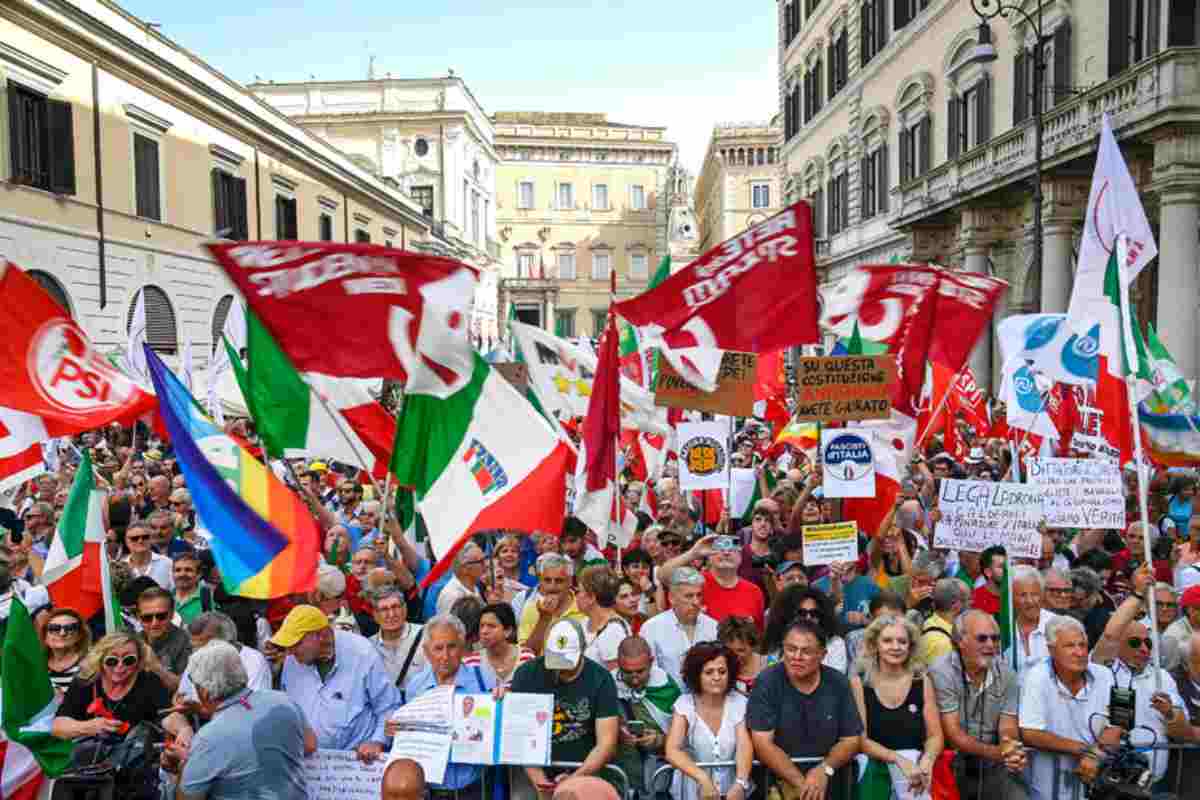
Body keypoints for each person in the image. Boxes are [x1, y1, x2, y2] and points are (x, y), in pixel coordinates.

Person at [159, 641, 310, 799]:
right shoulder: (283, 701)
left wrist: (185, 764)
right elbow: (310, 744)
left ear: (204, 692)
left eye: (194, 684)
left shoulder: (208, 738)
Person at [747, 620, 862, 800]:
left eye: (806, 651)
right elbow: (762, 744)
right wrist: (804, 786)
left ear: (822, 654)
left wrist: (824, 770)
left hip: (832, 783)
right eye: (791, 649)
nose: (797, 657)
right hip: (778, 785)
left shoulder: (838, 682)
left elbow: (852, 739)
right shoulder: (767, 681)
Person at [273, 604, 401, 761]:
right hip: (308, 764)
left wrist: (377, 741)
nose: (290, 651)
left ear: (320, 636)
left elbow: (388, 707)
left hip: (356, 764)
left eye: (296, 644)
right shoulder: (291, 661)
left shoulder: (361, 652)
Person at [510, 619, 620, 796]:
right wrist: (538, 779)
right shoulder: (527, 674)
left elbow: (606, 743)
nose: (561, 669)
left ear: (583, 650)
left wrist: (575, 779)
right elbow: (519, 732)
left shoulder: (601, 679)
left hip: (584, 768)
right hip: (532, 767)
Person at [1018, 616, 1123, 800]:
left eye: (1082, 645)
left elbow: (1121, 720)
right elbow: (1030, 732)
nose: (1079, 652)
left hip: (1098, 784)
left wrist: (1096, 753)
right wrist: (1087, 750)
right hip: (1048, 786)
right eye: (1070, 646)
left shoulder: (1105, 674)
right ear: (1051, 650)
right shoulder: (1035, 676)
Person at [927, 610, 1027, 800]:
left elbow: (1008, 727)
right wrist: (997, 753)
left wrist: (1010, 750)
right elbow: (953, 735)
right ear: (960, 641)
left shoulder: (1007, 675)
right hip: (950, 761)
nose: (990, 645)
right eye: (982, 638)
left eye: (995, 639)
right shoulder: (941, 671)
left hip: (994, 763)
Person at [392, 614, 493, 798]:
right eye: (438, 648)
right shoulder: (416, 686)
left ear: (462, 647)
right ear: (426, 651)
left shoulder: (483, 680)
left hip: (472, 788)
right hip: (429, 790)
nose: (445, 656)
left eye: (452, 647)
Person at [850, 614, 943, 800]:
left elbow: (935, 735)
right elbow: (861, 740)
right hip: (874, 772)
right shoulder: (859, 682)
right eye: (887, 640)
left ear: (910, 647)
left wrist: (927, 760)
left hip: (916, 773)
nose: (895, 647)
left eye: (902, 641)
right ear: (875, 644)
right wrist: (898, 760)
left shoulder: (921, 681)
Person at [52, 632, 193, 746]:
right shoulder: (85, 681)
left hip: (133, 758)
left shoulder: (148, 680)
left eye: (128, 660)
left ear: (138, 661)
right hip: (90, 760)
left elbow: (168, 715)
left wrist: (184, 729)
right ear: (100, 660)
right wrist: (89, 727)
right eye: (112, 661)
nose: (120, 667)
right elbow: (58, 726)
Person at [663, 641, 752, 800]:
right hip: (692, 791)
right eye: (709, 672)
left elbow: (744, 745)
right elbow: (672, 750)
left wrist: (740, 783)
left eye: (722, 671)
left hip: (732, 792)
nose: (716, 677)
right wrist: (702, 779)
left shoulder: (739, 703)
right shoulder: (684, 704)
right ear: (697, 675)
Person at [612, 636, 680, 800]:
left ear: (651, 661)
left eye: (640, 671)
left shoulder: (666, 688)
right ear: (618, 664)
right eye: (627, 672)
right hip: (619, 774)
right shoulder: (607, 685)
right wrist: (615, 734)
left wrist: (660, 740)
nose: (634, 678)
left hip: (660, 775)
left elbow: (686, 737)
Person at [659, 534, 766, 629]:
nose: (726, 552)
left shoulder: (754, 592)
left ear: (741, 557)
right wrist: (693, 553)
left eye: (733, 549)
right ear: (709, 557)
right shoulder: (694, 582)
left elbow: (758, 637)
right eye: (719, 548)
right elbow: (663, 575)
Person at [640, 567, 719, 687]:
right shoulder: (652, 628)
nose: (696, 601)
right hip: (668, 701)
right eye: (689, 596)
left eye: (699, 595)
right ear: (671, 598)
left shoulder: (713, 627)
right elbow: (648, 675)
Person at [179, 611, 272, 697]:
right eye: (193, 647)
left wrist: (199, 708)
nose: (196, 652)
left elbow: (253, 706)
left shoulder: (254, 661)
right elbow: (183, 695)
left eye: (203, 647)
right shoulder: (198, 657)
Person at [763, 586, 849, 673]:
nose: (808, 618)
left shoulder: (835, 644)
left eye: (814, 613)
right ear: (787, 616)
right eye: (801, 613)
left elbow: (834, 681)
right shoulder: (777, 644)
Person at [518, 553, 587, 655]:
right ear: (540, 581)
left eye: (559, 581)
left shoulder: (584, 607)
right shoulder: (531, 609)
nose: (552, 586)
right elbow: (527, 654)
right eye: (547, 580)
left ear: (570, 582)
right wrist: (544, 618)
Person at [1006, 566, 1065, 675]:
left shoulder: (1058, 625)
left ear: (1042, 595)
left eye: (1035, 594)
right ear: (1011, 597)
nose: (1030, 601)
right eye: (1022, 595)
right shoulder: (1003, 626)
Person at [463, 602, 534, 688]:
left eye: (491, 626)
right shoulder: (470, 662)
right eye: (481, 626)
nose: (484, 631)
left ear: (508, 631)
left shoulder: (526, 658)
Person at [136, 586, 192, 693]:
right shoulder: (133, 642)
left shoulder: (187, 642)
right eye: (147, 618)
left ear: (171, 614)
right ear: (139, 617)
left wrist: (156, 667)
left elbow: (185, 689)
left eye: (161, 616)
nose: (154, 623)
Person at [368, 588, 427, 688]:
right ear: (375, 615)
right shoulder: (368, 647)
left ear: (405, 609)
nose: (391, 614)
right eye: (384, 609)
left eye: (395, 607)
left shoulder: (426, 636)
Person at [577, 565, 630, 669]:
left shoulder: (614, 631)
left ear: (591, 597)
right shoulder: (584, 622)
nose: (577, 595)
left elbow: (615, 679)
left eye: (580, 591)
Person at [41, 607, 91, 697]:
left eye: (70, 628)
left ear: (80, 635)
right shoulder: (37, 666)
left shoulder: (92, 663)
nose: (62, 633)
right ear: (45, 637)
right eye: (54, 628)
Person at [920, 578, 966, 667]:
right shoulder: (944, 644)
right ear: (956, 605)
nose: (970, 605)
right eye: (967, 600)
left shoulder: (928, 622)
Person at [435, 543, 486, 616]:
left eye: (485, 558)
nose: (486, 564)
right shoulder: (452, 596)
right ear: (465, 568)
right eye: (480, 561)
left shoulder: (474, 586)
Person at [718, 616, 765, 695]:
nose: (735, 656)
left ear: (752, 646)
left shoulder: (771, 665)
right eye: (729, 651)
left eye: (741, 650)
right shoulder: (719, 668)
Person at [123, 521, 174, 589]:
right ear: (126, 542)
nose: (140, 541)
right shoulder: (121, 566)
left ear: (151, 539)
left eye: (145, 537)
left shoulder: (167, 563)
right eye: (134, 538)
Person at [171, 552, 213, 625]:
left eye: (188, 570)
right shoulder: (165, 597)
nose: (182, 574)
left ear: (199, 574)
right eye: (178, 570)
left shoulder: (209, 598)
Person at [971, 546, 1006, 616]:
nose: (1006, 570)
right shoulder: (975, 599)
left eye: (1007, 566)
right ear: (988, 572)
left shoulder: (1014, 595)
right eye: (1001, 566)